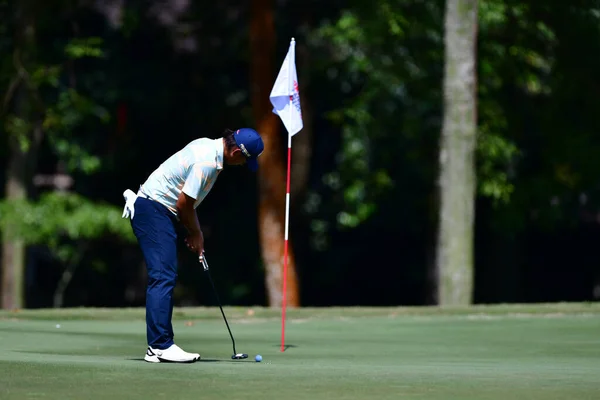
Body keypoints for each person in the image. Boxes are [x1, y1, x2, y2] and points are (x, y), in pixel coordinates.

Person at [121, 128, 264, 363]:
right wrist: (196, 233)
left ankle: (159, 345)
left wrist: (195, 232)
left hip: (159, 210)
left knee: (164, 274)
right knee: (163, 275)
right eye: (244, 160)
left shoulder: (209, 146)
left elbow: (186, 204)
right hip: (153, 210)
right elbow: (184, 203)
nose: (242, 165)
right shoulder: (207, 162)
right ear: (236, 152)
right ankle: (159, 346)